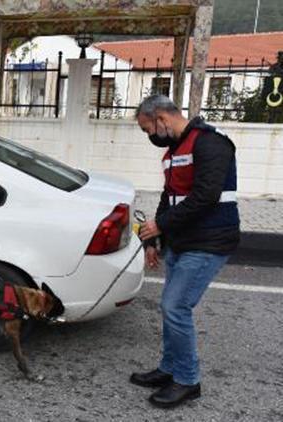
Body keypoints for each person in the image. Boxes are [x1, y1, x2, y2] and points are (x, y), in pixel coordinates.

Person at [131, 95, 240, 408]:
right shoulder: (175, 149)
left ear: (162, 118)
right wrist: (153, 239)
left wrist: (162, 225)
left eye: (147, 128)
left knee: (175, 307)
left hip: (209, 240)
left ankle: (188, 380)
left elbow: (206, 196)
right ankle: (169, 369)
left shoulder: (211, 144)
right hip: (183, 240)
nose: (149, 135)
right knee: (171, 308)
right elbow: (171, 195)